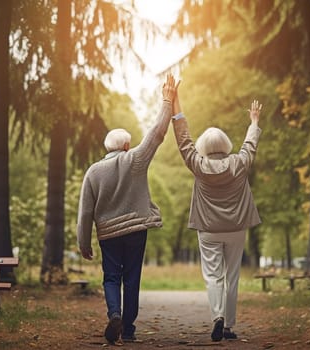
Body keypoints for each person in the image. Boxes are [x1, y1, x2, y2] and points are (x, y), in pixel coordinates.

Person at [77, 74, 179, 343]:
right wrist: (167, 101)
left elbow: (85, 212)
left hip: (108, 234)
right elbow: (157, 133)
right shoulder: (135, 159)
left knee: (111, 277)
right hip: (135, 230)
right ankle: (129, 328)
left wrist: (83, 242)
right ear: (125, 145)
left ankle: (114, 314)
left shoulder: (93, 172)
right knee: (132, 277)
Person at [171, 86, 262, 342]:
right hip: (235, 228)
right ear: (225, 144)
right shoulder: (239, 163)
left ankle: (217, 317)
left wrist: (176, 104)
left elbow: (183, 140)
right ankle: (229, 326)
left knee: (212, 275)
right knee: (231, 275)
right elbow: (250, 144)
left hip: (208, 230)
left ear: (203, 146)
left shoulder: (198, 165)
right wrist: (253, 121)